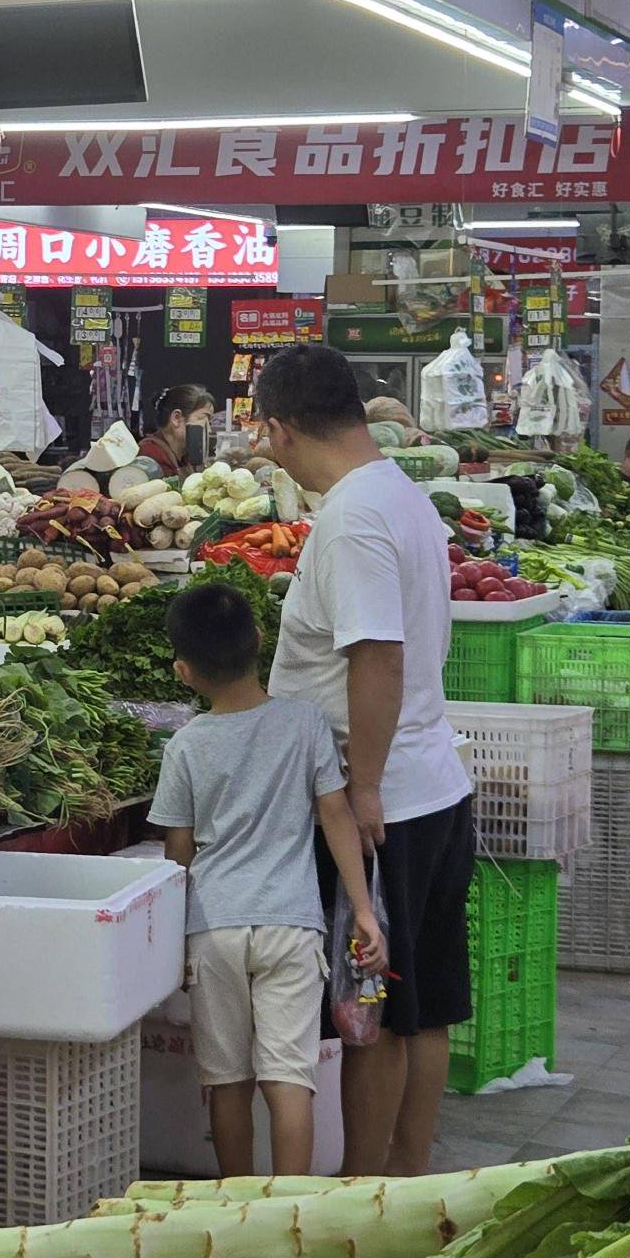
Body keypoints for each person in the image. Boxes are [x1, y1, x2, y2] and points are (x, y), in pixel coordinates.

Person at [251, 343, 475, 1178]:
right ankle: (409, 1180)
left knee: (370, 1010)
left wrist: (366, 786)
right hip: (432, 784)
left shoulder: (350, 518)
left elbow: (376, 655)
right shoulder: (400, 495)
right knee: (422, 1009)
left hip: (386, 801)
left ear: (278, 428)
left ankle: (365, 1191)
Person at [149, 582, 385, 1178]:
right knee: (290, 1081)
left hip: (214, 929)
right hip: (292, 925)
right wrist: (361, 909)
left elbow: (177, 854)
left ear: (182, 670)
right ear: (260, 640)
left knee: (227, 1083)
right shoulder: (305, 724)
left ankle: (237, 1204)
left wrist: (171, 941)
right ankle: (292, 1210)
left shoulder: (184, 746)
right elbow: (337, 817)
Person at [139, 384, 217, 477]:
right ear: (176, 418)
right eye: (203, 418)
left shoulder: (185, 456)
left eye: (210, 423)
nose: (209, 430)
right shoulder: (150, 455)